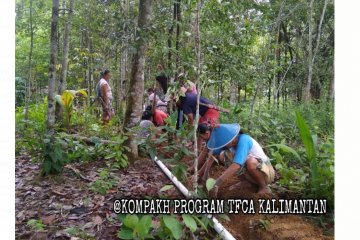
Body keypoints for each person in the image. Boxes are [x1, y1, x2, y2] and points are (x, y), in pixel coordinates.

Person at [196, 123, 275, 196]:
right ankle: (245, 182)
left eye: (225, 143)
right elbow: (213, 154)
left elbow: (236, 165)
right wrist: (204, 173)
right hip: (251, 171)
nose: (225, 145)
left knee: (250, 162)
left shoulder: (244, 140)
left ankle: (264, 187)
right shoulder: (229, 143)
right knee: (224, 155)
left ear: (231, 139)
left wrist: (217, 183)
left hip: (266, 172)